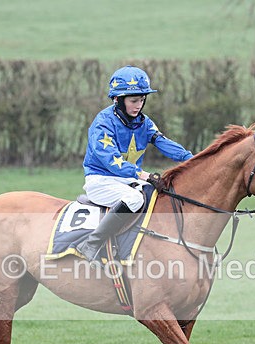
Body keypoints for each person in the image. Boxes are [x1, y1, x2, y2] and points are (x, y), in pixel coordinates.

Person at [76, 65, 193, 263]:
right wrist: (144, 175)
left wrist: (194, 160)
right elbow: (113, 163)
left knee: (161, 195)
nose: (138, 105)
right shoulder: (103, 123)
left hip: (127, 180)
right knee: (135, 200)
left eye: (142, 100)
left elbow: (164, 143)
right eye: (133, 101)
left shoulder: (144, 122)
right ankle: (91, 244)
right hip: (101, 180)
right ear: (117, 100)